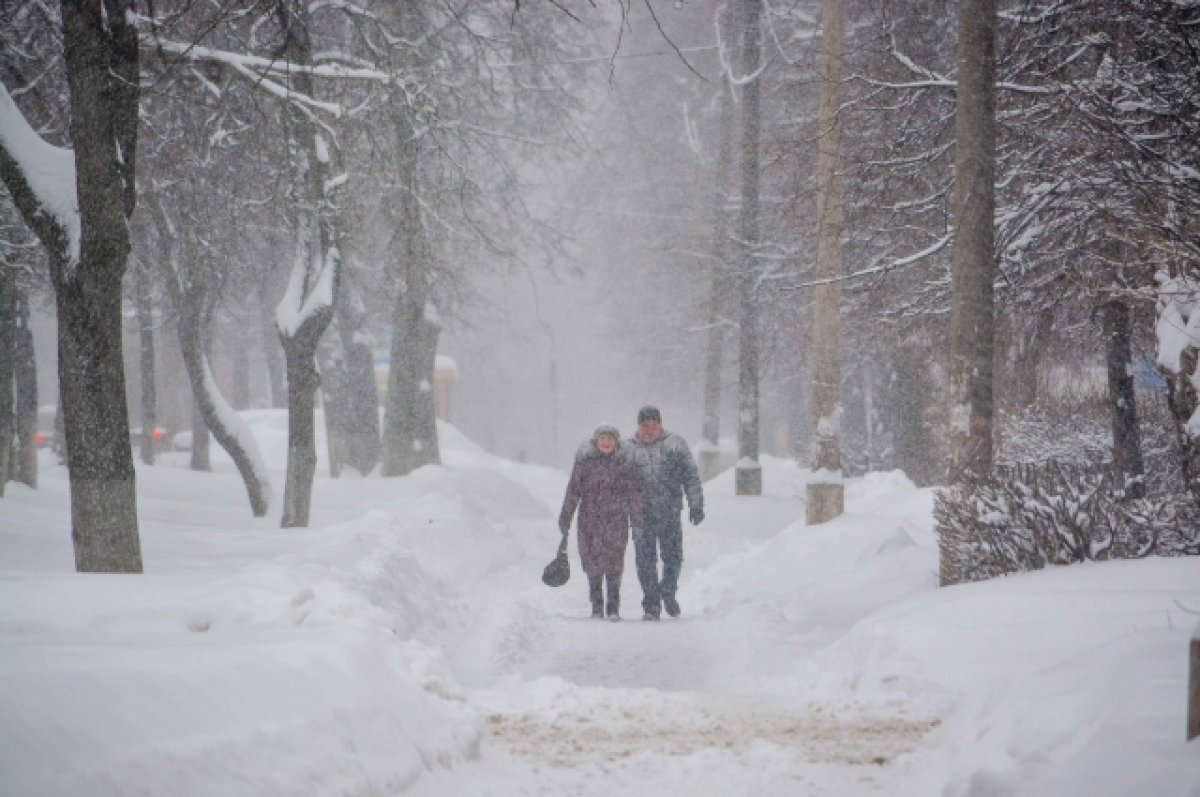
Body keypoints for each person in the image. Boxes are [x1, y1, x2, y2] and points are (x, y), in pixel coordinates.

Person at [627, 405, 704, 620]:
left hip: (670, 512)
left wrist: (696, 504)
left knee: (673, 557)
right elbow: (618, 483)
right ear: (638, 426)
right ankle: (651, 604)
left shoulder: (675, 445)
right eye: (644, 425)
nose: (648, 429)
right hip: (641, 516)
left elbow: (690, 476)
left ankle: (668, 593)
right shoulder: (628, 449)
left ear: (660, 425)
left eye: (653, 425)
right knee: (645, 561)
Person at [558, 425, 643, 620]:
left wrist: (637, 521)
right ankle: (597, 606)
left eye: (610, 439)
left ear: (616, 442)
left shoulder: (625, 464)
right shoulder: (585, 463)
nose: (606, 442)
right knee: (592, 563)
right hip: (590, 521)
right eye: (602, 438)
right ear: (596, 441)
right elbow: (573, 492)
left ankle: (613, 607)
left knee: (614, 562)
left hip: (617, 521)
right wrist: (565, 518)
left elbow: (634, 495)